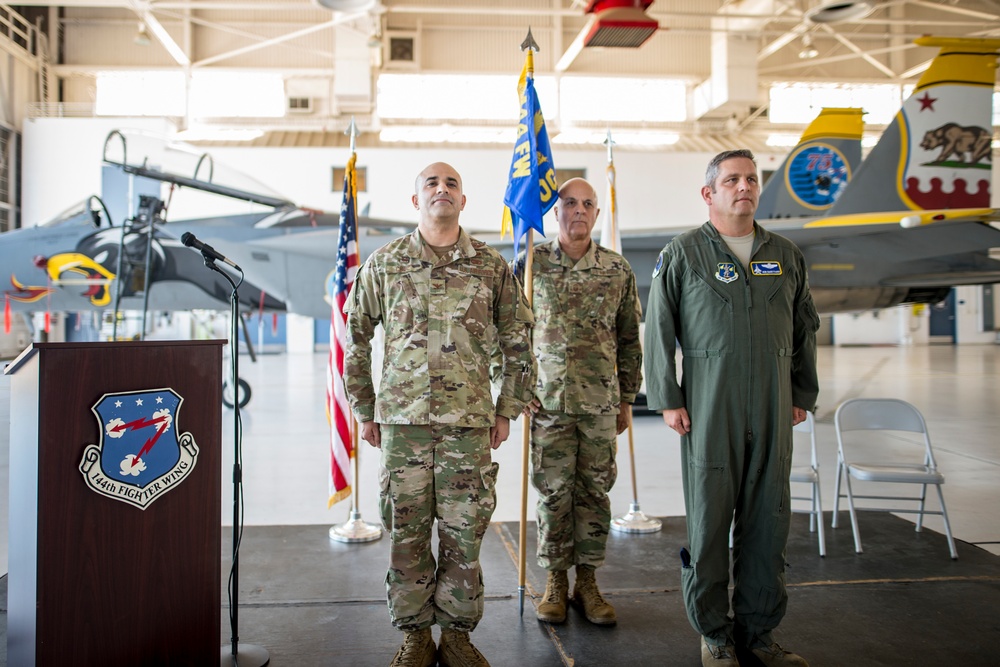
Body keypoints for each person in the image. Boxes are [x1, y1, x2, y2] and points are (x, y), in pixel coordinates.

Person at [343, 162, 536, 667]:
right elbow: (355, 340)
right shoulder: (384, 265)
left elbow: (518, 342)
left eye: (451, 183)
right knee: (406, 535)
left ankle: (456, 634)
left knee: (463, 534)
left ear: (463, 201)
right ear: (415, 201)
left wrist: (507, 408)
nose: (442, 190)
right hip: (402, 427)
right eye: (431, 183)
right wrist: (365, 409)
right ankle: (413, 634)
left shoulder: (491, 268)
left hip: (468, 427)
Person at [643, 149, 820, 667]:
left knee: (769, 524)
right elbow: (659, 331)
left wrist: (801, 393)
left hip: (772, 404)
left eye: (751, 178)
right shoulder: (683, 254)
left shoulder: (785, 254)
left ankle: (759, 634)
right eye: (731, 179)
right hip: (709, 405)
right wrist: (668, 398)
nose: (743, 186)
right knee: (709, 523)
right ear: (709, 193)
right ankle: (715, 635)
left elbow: (805, 325)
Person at [514, 177, 643, 627]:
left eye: (588, 204)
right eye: (570, 203)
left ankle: (587, 581)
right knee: (552, 494)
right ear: (555, 212)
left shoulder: (616, 269)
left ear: (596, 213)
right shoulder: (529, 264)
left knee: (594, 493)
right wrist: (515, 387)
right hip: (546, 404)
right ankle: (554, 581)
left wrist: (627, 398)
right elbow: (507, 334)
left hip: (600, 405)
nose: (579, 211)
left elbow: (629, 339)